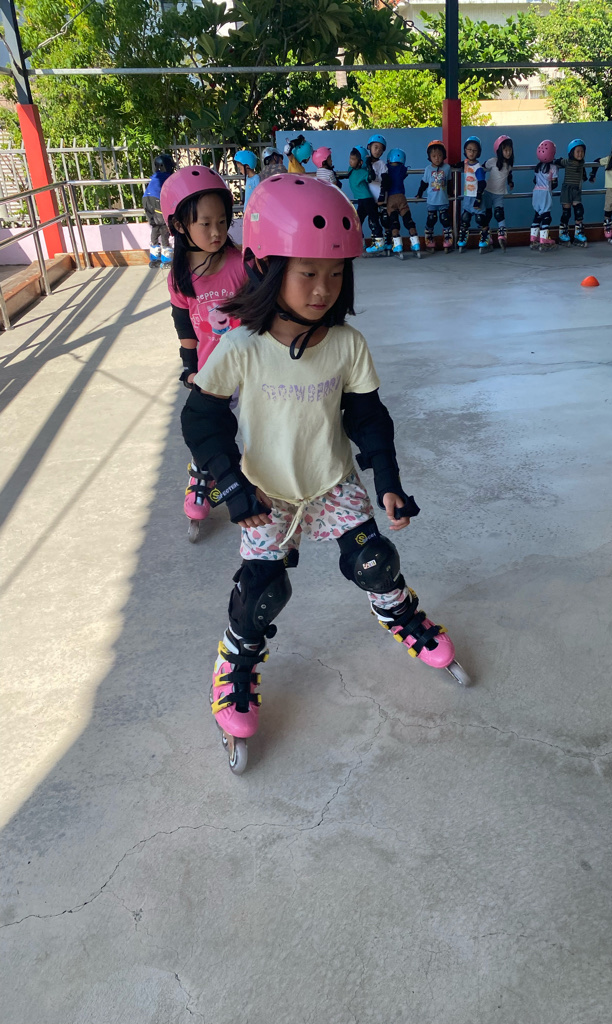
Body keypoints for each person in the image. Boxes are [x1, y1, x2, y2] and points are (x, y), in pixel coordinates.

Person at [179, 175, 467, 772]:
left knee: (374, 561)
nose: (322, 289)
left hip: (332, 483)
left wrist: (387, 479)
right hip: (266, 493)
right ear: (264, 268)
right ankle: (235, 661)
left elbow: (367, 415)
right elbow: (201, 419)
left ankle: (396, 610)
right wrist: (231, 485)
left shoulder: (346, 343)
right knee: (261, 592)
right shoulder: (241, 347)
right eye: (307, 273)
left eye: (335, 274)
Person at [160, 166, 248, 540]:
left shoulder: (242, 262)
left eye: (223, 222)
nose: (216, 232)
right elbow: (185, 327)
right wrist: (188, 368)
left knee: (261, 428)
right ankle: (202, 474)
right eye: (206, 224)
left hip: (253, 367)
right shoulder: (180, 275)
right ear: (180, 226)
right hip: (213, 371)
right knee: (207, 428)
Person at [381, 148, 421, 257]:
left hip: (390, 198)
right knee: (407, 218)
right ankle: (416, 243)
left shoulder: (386, 168)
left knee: (393, 221)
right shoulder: (402, 169)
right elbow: (404, 174)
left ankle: (397, 245)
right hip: (401, 197)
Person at [415, 139, 453, 252]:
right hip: (431, 201)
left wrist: (451, 193)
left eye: (439, 155)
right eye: (434, 156)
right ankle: (429, 238)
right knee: (431, 219)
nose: (437, 158)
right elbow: (424, 183)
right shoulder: (428, 169)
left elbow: (449, 182)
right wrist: (419, 194)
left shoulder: (447, 168)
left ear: (444, 155)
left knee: (445, 219)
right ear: (429, 157)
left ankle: (448, 238)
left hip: (443, 200)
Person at [345, 145, 384, 249]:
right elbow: (348, 176)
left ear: (360, 162)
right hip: (361, 200)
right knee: (357, 221)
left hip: (367, 199)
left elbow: (372, 177)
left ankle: (379, 242)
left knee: (373, 220)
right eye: (350, 158)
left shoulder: (364, 172)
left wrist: (369, 165)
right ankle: (360, 242)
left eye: (353, 159)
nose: (350, 161)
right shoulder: (351, 169)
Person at [455, 135, 489, 253]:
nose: (471, 152)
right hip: (467, 196)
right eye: (469, 149)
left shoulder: (478, 168)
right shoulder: (465, 163)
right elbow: (459, 164)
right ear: (465, 150)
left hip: (476, 196)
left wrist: (478, 197)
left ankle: (486, 235)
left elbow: (482, 183)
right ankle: (463, 237)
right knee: (465, 218)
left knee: (480, 219)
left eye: (474, 150)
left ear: (478, 152)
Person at [483, 135, 515, 250]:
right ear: (499, 151)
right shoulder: (493, 161)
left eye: (510, 150)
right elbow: (482, 167)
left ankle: (502, 233)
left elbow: (509, 174)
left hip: (499, 194)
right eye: (505, 150)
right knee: (487, 215)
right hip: (488, 192)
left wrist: (510, 182)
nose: (508, 152)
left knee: (499, 213)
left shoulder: (509, 165)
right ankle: (487, 235)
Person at [142, 153, 175, 265]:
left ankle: (154, 256)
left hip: (146, 200)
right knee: (164, 225)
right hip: (156, 199)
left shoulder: (155, 176)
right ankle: (166, 257)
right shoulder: (167, 178)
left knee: (155, 226)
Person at [555, 139, 588, 246]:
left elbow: (583, 172)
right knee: (566, 213)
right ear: (571, 152)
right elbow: (558, 161)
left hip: (576, 190)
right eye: (577, 151)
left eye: (582, 151)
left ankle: (578, 233)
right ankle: (562, 233)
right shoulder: (568, 162)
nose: (580, 154)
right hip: (567, 190)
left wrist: (588, 176)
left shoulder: (582, 163)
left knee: (579, 211)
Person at [364, 134, 391, 255]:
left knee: (385, 220)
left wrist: (382, 195)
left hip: (381, 198)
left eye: (380, 149)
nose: (378, 151)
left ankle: (388, 242)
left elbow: (385, 181)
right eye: (376, 147)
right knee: (372, 221)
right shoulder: (365, 163)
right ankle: (376, 242)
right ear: (369, 147)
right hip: (371, 198)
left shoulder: (381, 164)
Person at [530, 139, 558, 252]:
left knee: (537, 215)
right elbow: (554, 183)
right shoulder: (553, 168)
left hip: (536, 192)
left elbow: (534, 180)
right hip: (546, 192)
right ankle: (544, 239)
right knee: (546, 216)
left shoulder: (538, 167)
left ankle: (533, 238)